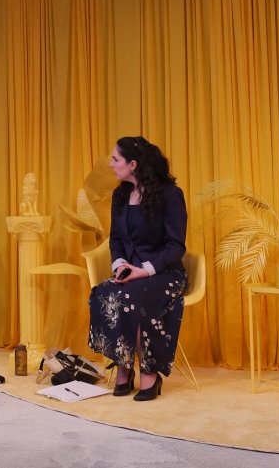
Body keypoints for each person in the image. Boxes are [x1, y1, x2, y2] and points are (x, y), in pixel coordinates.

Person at [88, 136, 188, 401]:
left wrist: (143, 270)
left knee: (131, 297)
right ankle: (123, 366)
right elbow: (116, 239)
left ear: (133, 164)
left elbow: (176, 246)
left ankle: (150, 373)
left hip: (164, 273)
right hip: (131, 272)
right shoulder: (120, 194)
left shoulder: (170, 195)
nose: (110, 164)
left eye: (115, 159)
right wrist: (120, 264)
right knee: (104, 293)